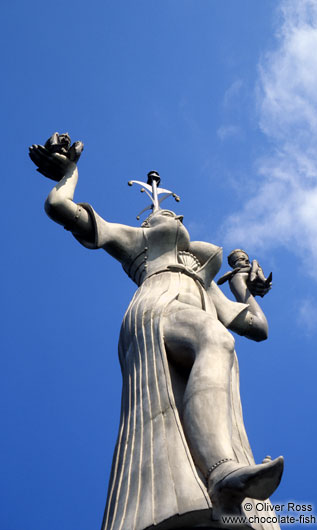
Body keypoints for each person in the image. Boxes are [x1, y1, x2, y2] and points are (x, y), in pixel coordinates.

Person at [29, 134, 283, 530]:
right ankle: (222, 473)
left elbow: (258, 327)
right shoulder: (136, 241)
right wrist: (69, 172)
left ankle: (221, 469)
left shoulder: (205, 281)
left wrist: (244, 290)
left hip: (193, 307)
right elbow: (59, 206)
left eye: (174, 215)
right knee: (216, 338)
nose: (166, 211)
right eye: (155, 213)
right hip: (155, 307)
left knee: (221, 342)